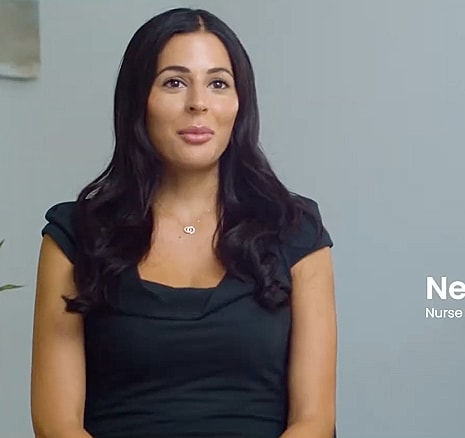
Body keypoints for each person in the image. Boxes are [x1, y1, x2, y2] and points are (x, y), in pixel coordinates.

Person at [30, 7, 336, 438]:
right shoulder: (75, 236)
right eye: (174, 82)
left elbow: (315, 420)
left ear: (240, 103)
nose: (198, 103)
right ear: (139, 100)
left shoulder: (296, 229)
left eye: (218, 83)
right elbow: (55, 424)